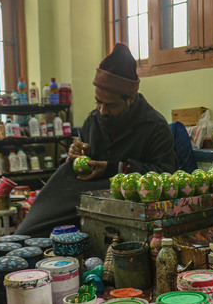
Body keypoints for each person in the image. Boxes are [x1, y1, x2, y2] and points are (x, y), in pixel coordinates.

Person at [16, 43, 177, 237]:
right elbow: (82, 162)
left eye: (110, 105)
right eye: (98, 102)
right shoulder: (93, 120)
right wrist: (75, 157)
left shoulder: (155, 126)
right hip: (88, 193)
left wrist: (115, 169)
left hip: (127, 198)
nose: (102, 111)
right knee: (35, 226)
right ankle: (22, 239)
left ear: (131, 98)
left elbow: (166, 176)